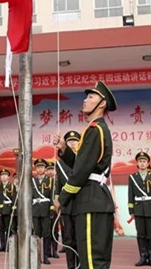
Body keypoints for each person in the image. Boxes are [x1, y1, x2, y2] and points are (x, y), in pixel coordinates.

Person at [55, 81, 117, 269]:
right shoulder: (94, 130)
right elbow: (84, 165)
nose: (85, 100)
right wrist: (65, 151)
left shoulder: (95, 130)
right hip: (92, 199)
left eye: (91, 97)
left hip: (91, 200)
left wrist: (62, 198)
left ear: (102, 103)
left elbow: (81, 172)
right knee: (92, 260)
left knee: (91, 262)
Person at [128, 152, 151, 267]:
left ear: (148, 163)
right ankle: (143, 256)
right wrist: (131, 210)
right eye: (140, 161)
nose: (142, 163)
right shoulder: (132, 177)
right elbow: (130, 194)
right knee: (141, 234)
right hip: (138, 209)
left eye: (144, 161)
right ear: (137, 163)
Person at [54, 130, 81, 269]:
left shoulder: (83, 159)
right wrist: (57, 199)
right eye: (69, 141)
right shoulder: (60, 163)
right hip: (67, 205)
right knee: (69, 238)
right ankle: (71, 266)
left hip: (81, 203)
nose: (72, 144)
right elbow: (58, 184)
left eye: (75, 141)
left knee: (81, 239)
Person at [32, 158, 54, 264]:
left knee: (46, 233)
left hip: (46, 210)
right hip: (35, 210)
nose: (40, 169)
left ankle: (46, 255)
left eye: (42, 167)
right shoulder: (32, 181)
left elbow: (52, 196)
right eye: (38, 167)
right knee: (36, 234)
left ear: (45, 168)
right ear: (36, 169)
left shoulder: (50, 180)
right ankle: (37, 255)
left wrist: (52, 209)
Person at [0, 169, 16, 252]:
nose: (3, 177)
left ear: (8, 177)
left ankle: (9, 245)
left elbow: (14, 199)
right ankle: (2, 245)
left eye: (5, 175)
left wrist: (13, 211)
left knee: (9, 228)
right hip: (0, 210)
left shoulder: (11, 186)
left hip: (8, 209)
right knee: (1, 228)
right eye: (2, 175)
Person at [46, 162, 60, 258]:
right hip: (45, 209)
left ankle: (54, 250)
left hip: (56, 209)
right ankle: (47, 252)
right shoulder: (44, 182)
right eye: (49, 169)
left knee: (54, 231)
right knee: (47, 231)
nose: (51, 171)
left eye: (52, 169)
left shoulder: (58, 182)